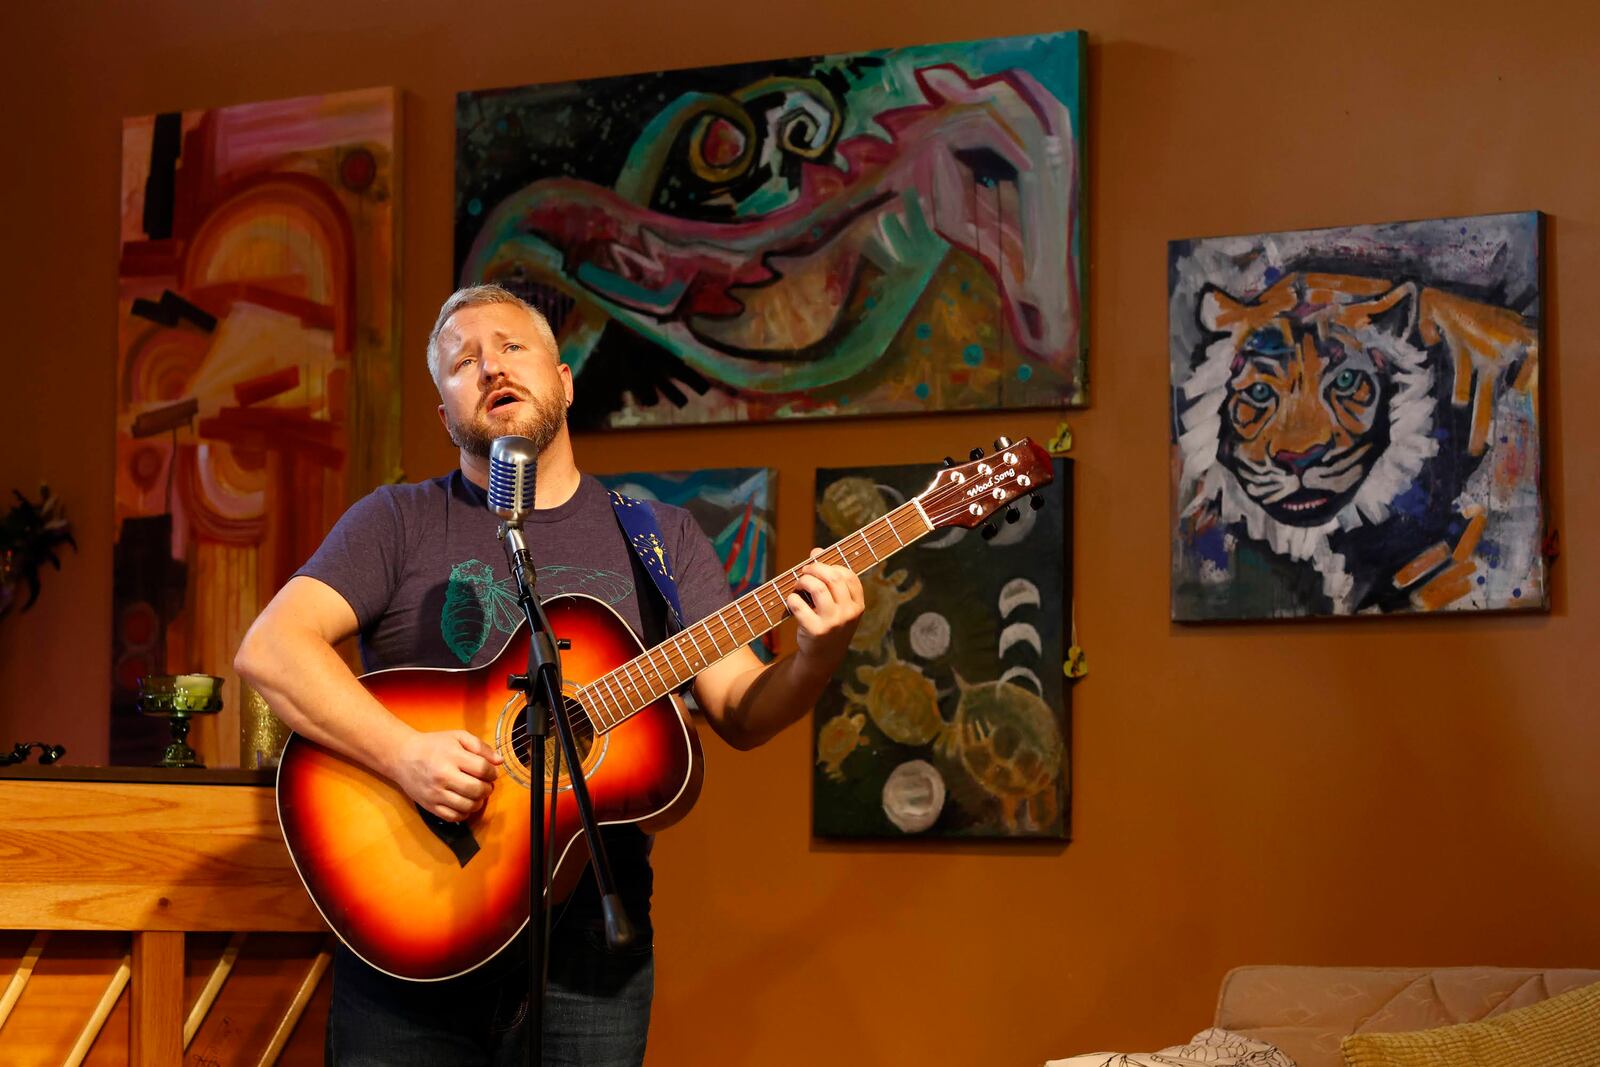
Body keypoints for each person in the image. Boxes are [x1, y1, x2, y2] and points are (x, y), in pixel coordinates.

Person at [234, 284, 864, 1066]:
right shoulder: (397, 520)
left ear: (565, 380)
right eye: (464, 361)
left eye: (511, 346)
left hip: (590, 947)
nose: (490, 365)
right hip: (413, 920)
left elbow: (738, 706)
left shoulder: (659, 538)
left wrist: (817, 654)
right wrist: (404, 755)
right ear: (445, 414)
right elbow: (272, 649)